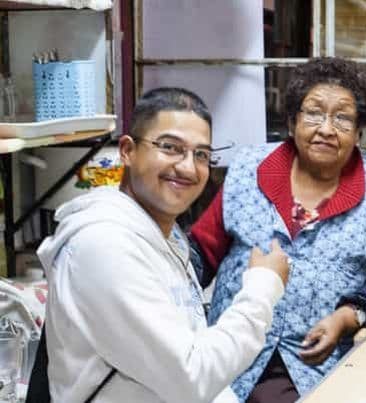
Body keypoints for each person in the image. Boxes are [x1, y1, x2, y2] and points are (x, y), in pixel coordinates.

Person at [189, 57, 366, 403]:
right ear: (291, 121)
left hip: (318, 367)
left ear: (359, 132)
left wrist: (347, 317)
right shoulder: (247, 170)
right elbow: (200, 253)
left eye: (342, 118)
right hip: (229, 354)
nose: (326, 128)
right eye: (313, 113)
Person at [36, 87, 290, 402]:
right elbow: (193, 376)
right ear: (127, 151)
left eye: (201, 154)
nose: (187, 167)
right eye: (170, 147)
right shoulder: (104, 245)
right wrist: (262, 288)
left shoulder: (167, 238)